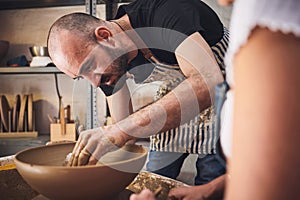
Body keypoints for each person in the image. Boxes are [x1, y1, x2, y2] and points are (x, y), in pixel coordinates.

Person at [131, 0, 300, 199]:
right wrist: (209, 190)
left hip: (208, 109)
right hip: (177, 114)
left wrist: (128, 127)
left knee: (209, 170)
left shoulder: (269, 18)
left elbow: (272, 181)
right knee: (158, 176)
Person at [47, 0, 228, 185]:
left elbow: (209, 81)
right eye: (81, 76)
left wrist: (121, 130)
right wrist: (96, 152)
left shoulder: (167, 12)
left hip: (224, 102)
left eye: (89, 66)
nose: (94, 83)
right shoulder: (105, 68)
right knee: (154, 180)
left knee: (208, 182)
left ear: (105, 36)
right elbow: (123, 132)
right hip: (177, 106)